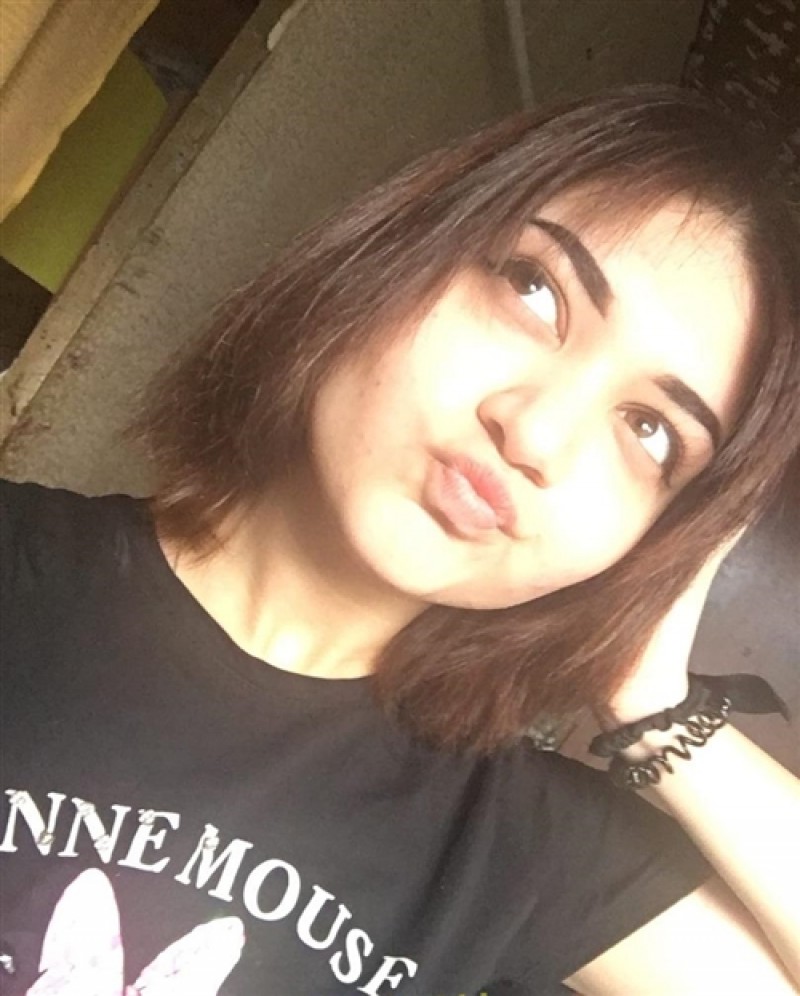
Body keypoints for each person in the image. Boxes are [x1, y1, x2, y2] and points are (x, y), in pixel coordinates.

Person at [1, 85, 799, 995]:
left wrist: (657, 707)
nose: (536, 435)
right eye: (534, 290)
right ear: (397, 250)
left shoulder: (512, 844)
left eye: (650, 431)